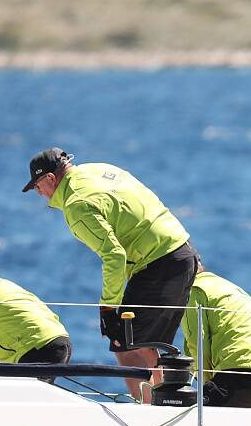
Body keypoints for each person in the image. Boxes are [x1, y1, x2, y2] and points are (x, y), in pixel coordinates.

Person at [23, 147, 198, 399]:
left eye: (38, 186)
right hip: (183, 250)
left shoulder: (76, 205)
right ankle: (160, 402)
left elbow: (114, 255)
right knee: (152, 344)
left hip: (158, 261)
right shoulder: (98, 169)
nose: (39, 194)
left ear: (51, 179)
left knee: (125, 344)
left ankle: (150, 410)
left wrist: (107, 309)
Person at [181, 266, 251, 409]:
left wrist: (206, 387)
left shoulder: (194, 290)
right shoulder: (229, 288)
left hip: (239, 379)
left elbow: (198, 347)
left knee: (188, 417)